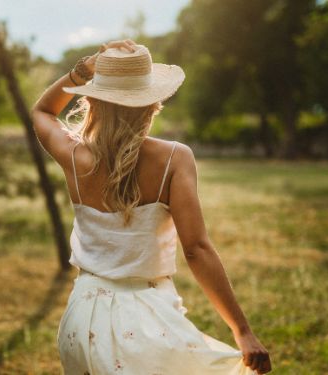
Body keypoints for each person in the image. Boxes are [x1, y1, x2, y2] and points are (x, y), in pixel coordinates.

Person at [30, 39, 272, 375]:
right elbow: (197, 250)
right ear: (151, 103)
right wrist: (242, 331)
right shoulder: (174, 158)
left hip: (82, 322)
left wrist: (83, 70)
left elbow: (42, 110)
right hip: (145, 324)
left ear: (92, 100)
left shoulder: (73, 155)